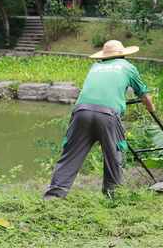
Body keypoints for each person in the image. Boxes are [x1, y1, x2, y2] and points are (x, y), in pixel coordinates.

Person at [44, 40, 155, 199]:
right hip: (108, 115)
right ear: (123, 54)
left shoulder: (95, 67)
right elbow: (143, 94)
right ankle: (112, 197)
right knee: (113, 155)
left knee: (71, 155)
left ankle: (53, 197)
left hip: (81, 112)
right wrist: (152, 109)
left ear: (103, 56)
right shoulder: (128, 67)